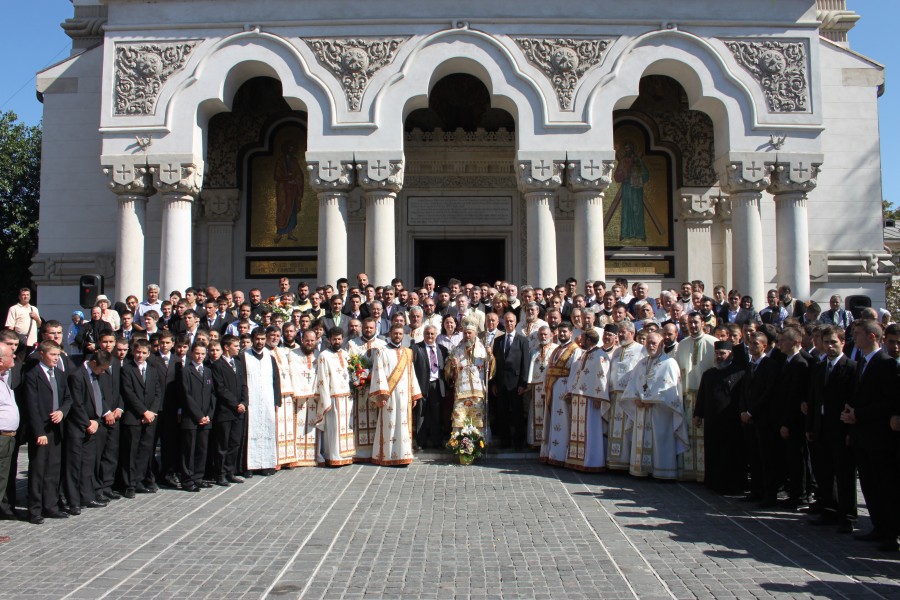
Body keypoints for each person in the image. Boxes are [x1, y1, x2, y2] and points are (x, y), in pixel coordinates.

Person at [841, 319, 900, 551]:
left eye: (857, 334)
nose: (854, 338)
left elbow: (889, 401)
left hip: (878, 436)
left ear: (872, 337)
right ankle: (878, 526)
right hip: (861, 434)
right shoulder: (861, 362)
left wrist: (860, 414)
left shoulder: (886, 364)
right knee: (869, 484)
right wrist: (850, 413)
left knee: (885, 485)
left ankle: (891, 531)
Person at [805, 326, 857, 533]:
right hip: (821, 426)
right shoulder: (819, 367)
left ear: (842, 342)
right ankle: (828, 509)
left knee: (844, 474)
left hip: (840, 428)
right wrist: (810, 426)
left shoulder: (851, 367)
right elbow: (813, 399)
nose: (830, 346)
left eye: (834, 342)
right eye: (826, 342)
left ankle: (847, 516)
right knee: (824, 471)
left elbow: (853, 400)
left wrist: (850, 433)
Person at [621, 332, 687, 479]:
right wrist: (635, 398)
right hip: (641, 411)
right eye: (648, 343)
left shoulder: (669, 363)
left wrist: (652, 400)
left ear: (661, 344)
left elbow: (671, 390)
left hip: (661, 413)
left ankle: (662, 471)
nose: (651, 345)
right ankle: (641, 470)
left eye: (654, 343)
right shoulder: (641, 363)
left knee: (660, 441)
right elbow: (632, 384)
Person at [24, 341, 73, 524]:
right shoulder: (32, 375)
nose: (56, 358)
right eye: (52, 355)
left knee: (53, 468)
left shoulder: (60, 374)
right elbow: (32, 406)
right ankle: (35, 509)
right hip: (41, 430)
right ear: (42, 355)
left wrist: (62, 411)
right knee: (38, 470)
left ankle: (50, 505)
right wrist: (39, 432)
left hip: (56, 429)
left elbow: (68, 398)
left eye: (58, 355)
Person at [693, 341, 746, 494]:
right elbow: (702, 395)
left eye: (722, 353)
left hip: (731, 421)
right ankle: (713, 482)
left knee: (731, 453)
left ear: (731, 355)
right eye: (717, 353)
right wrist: (698, 414)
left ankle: (732, 484)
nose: (719, 356)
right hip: (712, 420)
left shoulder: (739, 373)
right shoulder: (709, 374)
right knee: (713, 451)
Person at [64, 350, 111, 514]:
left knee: (88, 464)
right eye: (101, 368)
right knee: (74, 465)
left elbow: (99, 398)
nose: (103, 372)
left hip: (93, 424)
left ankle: (87, 496)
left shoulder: (96, 376)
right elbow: (77, 403)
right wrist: (86, 423)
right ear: (93, 363)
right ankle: (73, 501)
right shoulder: (77, 375)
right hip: (78, 427)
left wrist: (98, 420)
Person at [368, 325, 423, 465]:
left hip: (404, 396)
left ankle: (403, 454)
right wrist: (381, 395)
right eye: (395, 333)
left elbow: (412, 374)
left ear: (403, 335)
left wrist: (414, 393)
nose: (397, 336)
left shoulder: (408, 352)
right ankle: (387, 456)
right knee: (389, 424)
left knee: (403, 424)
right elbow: (378, 372)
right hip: (388, 396)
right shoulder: (382, 351)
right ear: (390, 333)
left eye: (400, 334)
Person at [740, 330, 782, 507]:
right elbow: (744, 391)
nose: (751, 347)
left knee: (766, 458)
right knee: (754, 457)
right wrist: (743, 410)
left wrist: (752, 412)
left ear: (764, 345)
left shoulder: (770, 365)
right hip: (748, 419)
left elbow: (769, 393)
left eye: (756, 344)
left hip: (763, 419)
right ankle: (756, 490)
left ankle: (769, 494)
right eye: (750, 343)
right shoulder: (750, 365)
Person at [673, 312, 717, 482]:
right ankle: (689, 471)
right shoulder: (682, 345)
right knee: (689, 434)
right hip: (687, 396)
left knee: (706, 436)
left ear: (703, 323)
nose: (692, 326)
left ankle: (707, 471)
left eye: (695, 322)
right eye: (690, 322)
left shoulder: (712, 343)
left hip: (705, 397)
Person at [120, 338, 163, 498]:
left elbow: (157, 392)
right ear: (133, 352)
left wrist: (151, 412)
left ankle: (139, 480)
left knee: (145, 451)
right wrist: (143, 412)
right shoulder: (127, 369)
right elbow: (128, 392)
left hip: (150, 418)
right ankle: (128, 484)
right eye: (138, 352)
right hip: (134, 417)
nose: (140, 355)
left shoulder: (152, 369)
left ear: (148, 353)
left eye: (144, 353)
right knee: (131, 451)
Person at [563, 329, 609, 472]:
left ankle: (592, 461)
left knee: (590, 430)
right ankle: (577, 459)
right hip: (579, 396)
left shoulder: (600, 355)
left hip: (591, 398)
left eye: (582, 338)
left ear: (588, 340)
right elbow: (578, 374)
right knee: (578, 430)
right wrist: (571, 391)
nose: (580, 341)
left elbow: (603, 376)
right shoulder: (584, 354)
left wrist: (599, 396)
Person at [604, 321, 647, 471]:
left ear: (632, 333)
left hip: (630, 398)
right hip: (615, 397)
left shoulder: (641, 350)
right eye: (619, 332)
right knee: (614, 430)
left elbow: (643, 374)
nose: (620, 335)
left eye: (623, 332)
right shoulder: (616, 351)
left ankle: (627, 462)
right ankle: (613, 461)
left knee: (628, 430)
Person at [776, 326, 811, 509]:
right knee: (791, 459)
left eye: (784, 341)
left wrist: (787, 423)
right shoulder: (788, 361)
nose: (780, 344)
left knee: (798, 459)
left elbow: (794, 396)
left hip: (795, 421)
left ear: (796, 342)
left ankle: (801, 495)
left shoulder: (800, 364)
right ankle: (795, 492)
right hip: (786, 417)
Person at [539, 322, 582, 466]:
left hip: (563, 390)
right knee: (551, 421)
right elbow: (548, 370)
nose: (562, 334)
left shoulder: (575, 350)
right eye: (560, 332)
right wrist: (545, 388)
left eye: (565, 332)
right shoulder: (556, 349)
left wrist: (570, 390)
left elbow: (575, 371)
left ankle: (561, 455)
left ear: (571, 333)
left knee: (562, 422)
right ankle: (550, 453)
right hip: (552, 388)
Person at [210, 335, 248, 485]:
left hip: (239, 410)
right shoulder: (217, 365)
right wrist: (235, 404)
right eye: (236, 346)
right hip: (226, 411)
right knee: (222, 444)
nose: (238, 348)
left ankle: (230, 470)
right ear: (226, 347)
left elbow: (244, 384)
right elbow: (220, 388)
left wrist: (244, 402)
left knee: (234, 443)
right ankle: (219, 473)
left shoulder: (237, 363)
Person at [347, 318, 386, 461]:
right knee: (359, 418)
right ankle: (360, 452)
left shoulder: (382, 344)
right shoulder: (353, 344)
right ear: (362, 328)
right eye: (366, 328)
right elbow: (349, 364)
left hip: (375, 388)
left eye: (371, 328)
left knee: (376, 418)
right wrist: (356, 378)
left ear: (376, 328)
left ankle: (376, 450)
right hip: (360, 390)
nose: (368, 330)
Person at [490, 312, 531, 449]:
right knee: (502, 414)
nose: (509, 324)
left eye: (512, 321)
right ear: (503, 322)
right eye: (507, 321)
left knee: (517, 414)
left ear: (516, 322)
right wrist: (494, 382)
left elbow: (525, 363)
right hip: (501, 383)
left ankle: (519, 442)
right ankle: (504, 441)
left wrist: (523, 383)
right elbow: (494, 364)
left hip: (516, 384)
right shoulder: (498, 340)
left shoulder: (523, 340)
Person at [244, 329, 281, 475]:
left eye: (262, 339)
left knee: (267, 429)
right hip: (251, 400)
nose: (260, 342)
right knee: (250, 431)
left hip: (267, 400)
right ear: (253, 339)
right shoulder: (244, 356)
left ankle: (266, 464)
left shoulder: (270, 357)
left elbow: (276, 380)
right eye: (257, 339)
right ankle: (250, 466)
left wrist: (277, 401)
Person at [316, 327, 354, 466]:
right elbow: (322, 380)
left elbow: (351, 374)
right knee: (334, 428)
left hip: (347, 398)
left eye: (339, 339)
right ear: (329, 340)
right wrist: (326, 401)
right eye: (334, 339)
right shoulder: (323, 356)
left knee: (346, 427)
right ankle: (333, 456)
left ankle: (346, 455)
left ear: (343, 339)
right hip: (333, 398)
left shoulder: (346, 354)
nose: (337, 341)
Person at [445, 323, 493, 435]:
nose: (467, 335)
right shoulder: (456, 350)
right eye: (465, 333)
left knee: (478, 419)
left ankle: (479, 443)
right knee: (459, 418)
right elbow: (448, 373)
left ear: (475, 334)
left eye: (470, 333)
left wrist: (490, 357)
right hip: (461, 390)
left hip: (478, 391)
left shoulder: (483, 349)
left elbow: (491, 370)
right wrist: (452, 365)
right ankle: (459, 443)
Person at [179, 343, 215, 492]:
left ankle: (198, 477)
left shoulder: (207, 371)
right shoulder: (186, 371)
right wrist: (198, 415)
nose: (200, 356)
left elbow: (212, 394)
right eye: (197, 353)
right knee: (189, 449)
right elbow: (186, 396)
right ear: (191, 354)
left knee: (202, 448)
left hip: (205, 418)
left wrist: (208, 415)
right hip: (191, 418)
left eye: (202, 354)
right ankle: (187, 479)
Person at [412, 324, 448, 449]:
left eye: (432, 334)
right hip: (422, 385)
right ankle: (421, 441)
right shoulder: (416, 348)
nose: (430, 336)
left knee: (436, 414)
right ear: (424, 335)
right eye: (427, 334)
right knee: (421, 414)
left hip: (437, 385)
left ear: (436, 335)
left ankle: (436, 440)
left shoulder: (442, 349)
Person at [290, 330, 320, 466]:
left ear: (316, 341)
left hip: (315, 398)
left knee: (314, 427)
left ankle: (315, 454)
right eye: (307, 340)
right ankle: (297, 455)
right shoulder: (293, 355)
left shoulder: (319, 355)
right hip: (299, 399)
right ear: (302, 340)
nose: (309, 343)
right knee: (298, 427)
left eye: (312, 341)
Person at [525, 326, 557, 449]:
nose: (543, 337)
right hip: (536, 387)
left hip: (549, 386)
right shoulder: (533, 350)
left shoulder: (556, 350)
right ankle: (535, 442)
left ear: (551, 335)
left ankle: (547, 442)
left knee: (548, 414)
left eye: (545, 334)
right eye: (541, 334)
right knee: (535, 414)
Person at [274, 141, 304, 243]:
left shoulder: (294, 161)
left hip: (293, 190)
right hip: (283, 189)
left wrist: (295, 180)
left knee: (292, 210)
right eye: (289, 149)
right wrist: (287, 178)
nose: (291, 151)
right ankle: (279, 233)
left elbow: (299, 175)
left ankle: (290, 233)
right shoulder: (280, 161)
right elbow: (277, 175)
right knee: (282, 209)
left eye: (292, 149)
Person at [5, 287, 41, 352]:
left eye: (27, 295)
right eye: (23, 295)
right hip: (20, 340)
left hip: (32, 341)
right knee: (19, 360)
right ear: (19, 297)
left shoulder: (34, 309)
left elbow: (39, 325)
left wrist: (36, 318)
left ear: (30, 296)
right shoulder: (14, 308)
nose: (26, 297)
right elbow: (10, 327)